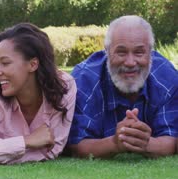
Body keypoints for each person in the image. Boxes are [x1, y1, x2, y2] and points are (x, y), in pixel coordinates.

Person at [0, 23, 77, 167]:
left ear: (33, 64)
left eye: (5, 63)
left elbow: (52, 150)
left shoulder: (63, 87)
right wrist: (27, 141)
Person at [66, 15, 178, 158]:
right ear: (107, 51)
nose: (130, 62)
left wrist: (145, 143)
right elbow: (77, 145)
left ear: (150, 53)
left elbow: (172, 140)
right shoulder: (83, 79)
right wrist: (114, 143)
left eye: (139, 52)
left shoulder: (167, 78)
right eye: (121, 52)